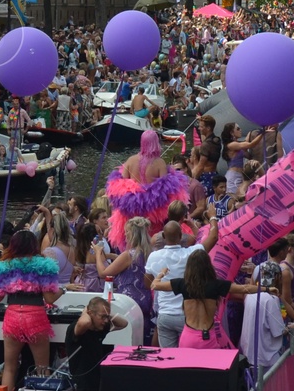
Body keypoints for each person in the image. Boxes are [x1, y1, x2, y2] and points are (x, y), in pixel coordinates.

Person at [150, 229, 258, 350]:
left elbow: (154, 285)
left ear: (189, 266)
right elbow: (245, 288)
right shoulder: (217, 285)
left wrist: (161, 274)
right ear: (208, 266)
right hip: (207, 337)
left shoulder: (183, 284)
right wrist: (266, 289)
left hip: (188, 337)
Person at [0, 229, 62, 391]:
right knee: (42, 367)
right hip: (35, 316)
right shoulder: (45, 265)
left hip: (12, 316)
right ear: (34, 245)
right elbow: (49, 299)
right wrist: (63, 290)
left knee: (9, 366)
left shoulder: (3, 266)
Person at [104, 129, 191, 246]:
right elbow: (165, 189)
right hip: (154, 211)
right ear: (156, 143)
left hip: (133, 208)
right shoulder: (159, 163)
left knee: (133, 236)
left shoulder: (130, 160)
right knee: (152, 235)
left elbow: (121, 185)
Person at [145, 220, 207, 348]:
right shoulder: (191, 253)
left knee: (168, 359)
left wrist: (160, 281)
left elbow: (147, 283)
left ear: (163, 236)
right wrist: (211, 218)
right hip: (187, 316)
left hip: (165, 314)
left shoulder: (153, 256)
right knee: (188, 358)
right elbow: (213, 238)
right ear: (181, 236)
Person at [67, 297, 127, 391]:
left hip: (97, 384)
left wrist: (106, 313)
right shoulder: (76, 329)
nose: (105, 321)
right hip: (81, 387)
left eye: (107, 317)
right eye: (102, 317)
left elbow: (123, 323)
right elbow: (85, 323)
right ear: (90, 313)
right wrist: (86, 310)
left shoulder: (101, 328)